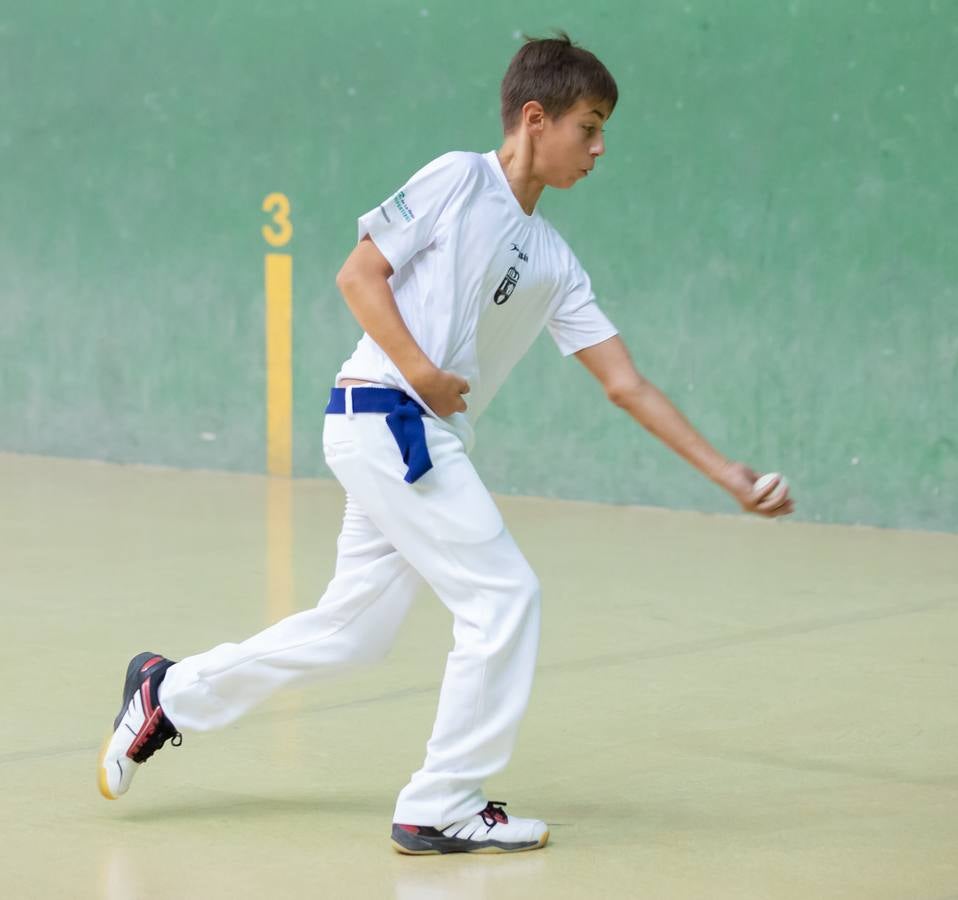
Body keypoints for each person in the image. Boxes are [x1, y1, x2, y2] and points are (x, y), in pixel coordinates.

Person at [98, 33, 794, 856]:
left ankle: (168, 690)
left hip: (412, 433)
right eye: (589, 126)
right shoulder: (459, 178)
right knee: (504, 598)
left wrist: (729, 476)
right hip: (390, 414)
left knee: (353, 630)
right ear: (535, 119)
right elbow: (359, 274)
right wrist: (424, 371)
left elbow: (625, 383)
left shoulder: (556, 261)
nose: (601, 148)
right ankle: (442, 803)